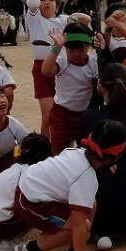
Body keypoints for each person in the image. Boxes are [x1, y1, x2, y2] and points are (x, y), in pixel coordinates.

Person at [11, 119, 124, 251]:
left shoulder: (77, 152)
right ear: (113, 156)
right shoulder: (85, 178)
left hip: (37, 188)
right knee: (83, 227)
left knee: (90, 204)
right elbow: (78, 226)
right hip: (29, 201)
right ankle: (31, 250)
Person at [78, 61, 126, 238]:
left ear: (100, 86)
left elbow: (84, 153)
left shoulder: (92, 117)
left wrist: (97, 92)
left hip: (105, 216)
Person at [24, 0, 68, 138]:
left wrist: (77, 17)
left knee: (64, 116)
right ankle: (46, 149)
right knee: (48, 117)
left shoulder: (63, 20)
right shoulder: (34, 19)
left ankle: (64, 149)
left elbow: (86, 19)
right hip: (41, 67)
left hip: (62, 68)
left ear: (57, 6)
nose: (46, 1)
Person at [41, 21, 99, 154]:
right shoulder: (62, 61)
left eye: (81, 50)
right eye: (71, 50)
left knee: (86, 152)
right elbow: (46, 71)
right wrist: (56, 48)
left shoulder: (93, 63)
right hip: (62, 115)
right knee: (59, 152)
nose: (76, 54)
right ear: (65, 48)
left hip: (86, 115)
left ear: (88, 46)